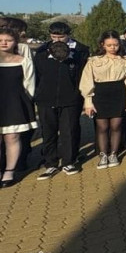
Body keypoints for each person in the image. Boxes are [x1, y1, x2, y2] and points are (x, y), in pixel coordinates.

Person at [79, 31, 126, 169]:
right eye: (109, 45)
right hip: (100, 94)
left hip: (119, 94)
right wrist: (88, 102)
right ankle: (103, 155)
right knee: (102, 127)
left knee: (116, 126)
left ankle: (113, 154)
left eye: (116, 45)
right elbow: (86, 82)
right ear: (102, 45)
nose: (113, 48)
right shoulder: (93, 61)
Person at [34, 41, 85, 178]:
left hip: (70, 101)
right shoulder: (40, 56)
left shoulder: (77, 55)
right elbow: (36, 77)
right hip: (46, 101)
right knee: (48, 133)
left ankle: (69, 162)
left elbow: (80, 78)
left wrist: (78, 96)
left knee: (68, 132)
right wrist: (38, 95)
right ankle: (51, 163)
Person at [0, 27, 37, 187]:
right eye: (0, 40)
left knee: (12, 137)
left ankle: (9, 172)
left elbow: (29, 85)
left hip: (14, 104)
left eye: (8, 40)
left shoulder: (23, 61)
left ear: (15, 42)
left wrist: (25, 103)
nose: (4, 43)